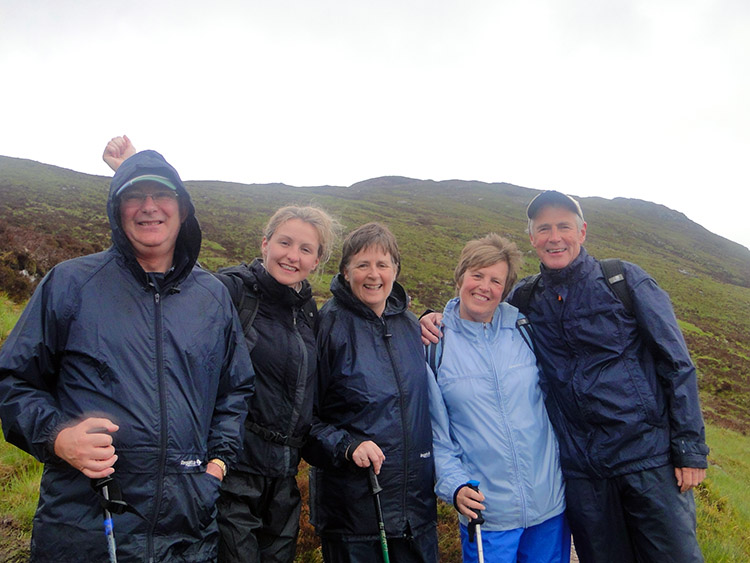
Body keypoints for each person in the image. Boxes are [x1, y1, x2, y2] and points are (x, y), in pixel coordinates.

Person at [0, 139, 254, 561]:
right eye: (134, 196)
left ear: (184, 209)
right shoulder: (71, 284)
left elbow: (235, 390)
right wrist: (58, 436)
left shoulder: (212, 297)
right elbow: (13, 380)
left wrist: (217, 467)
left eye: (161, 195)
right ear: (117, 211)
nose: (148, 206)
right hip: (84, 529)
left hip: (187, 529)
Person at [422, 191, 708, 563]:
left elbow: (677, 363)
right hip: (584, 475)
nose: (554, 237)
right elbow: (478, 310)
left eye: (563, 226)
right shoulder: (526, 299)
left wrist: (689, 449)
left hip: (647, 460)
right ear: (533, 238)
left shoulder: (623, 280)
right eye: (544, 228)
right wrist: (429, 317)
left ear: (582, 231)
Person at [427, 233, 569, 563]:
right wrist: (455, 486)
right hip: (488, 516)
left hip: (549, 508)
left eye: (496, 280)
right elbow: (436, 437)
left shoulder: (524, 329)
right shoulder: (435, 344)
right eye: (477, 275)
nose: (484, 287)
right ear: (460, 276)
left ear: (505, 290)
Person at [303, 222, 438, 562]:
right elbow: (304, 421)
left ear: (396, 269)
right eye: (362, 265)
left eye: (383, 264)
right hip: (355, 519)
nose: (373, 274)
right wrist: (347, 446)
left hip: (417, 515)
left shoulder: (410, 326)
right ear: (346, 271)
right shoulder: (326, 328)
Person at [212, 205, 338, 563]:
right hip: (231, 474)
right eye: (284, 242)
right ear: (265, 243)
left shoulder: (308, 313)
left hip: (283, 482)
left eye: (305, 249)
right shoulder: (231, 291)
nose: (292, 256)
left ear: (316, 261)